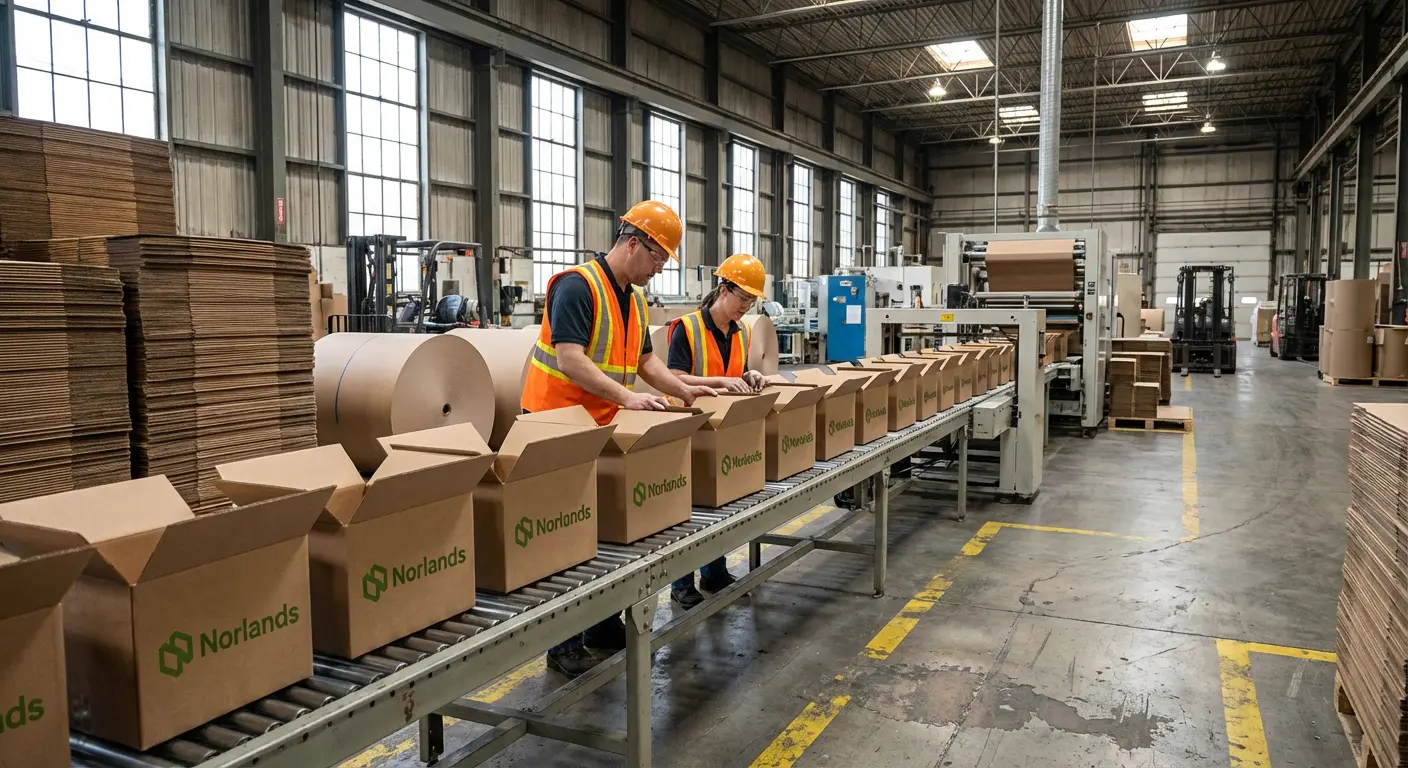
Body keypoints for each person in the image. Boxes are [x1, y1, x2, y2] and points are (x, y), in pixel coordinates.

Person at [523, 199, 716, 678]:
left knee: (607, 529)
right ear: (633, 243)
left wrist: (690, 389)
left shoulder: (632, 297)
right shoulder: (576, 287)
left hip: (601, 427)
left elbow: (647, 364)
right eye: (657, 258)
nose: (659, 268)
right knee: (566, 537)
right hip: (555, 426)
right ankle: (562, 643)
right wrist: (628, 400)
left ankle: (602, 626)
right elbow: (570, 357)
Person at [665, 253, 769, 608]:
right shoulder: (686, 328)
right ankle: (681, 582)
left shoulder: (743, 331)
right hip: (689, 427)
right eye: (743, 298)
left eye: (752, 301)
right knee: (687, 509)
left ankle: (714, 571)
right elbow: (675, 378)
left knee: (721, 502)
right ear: (723, 289)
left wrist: (748, 376)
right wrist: (721, 381)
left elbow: (735, 372)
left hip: (723, 428)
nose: (746, 306)